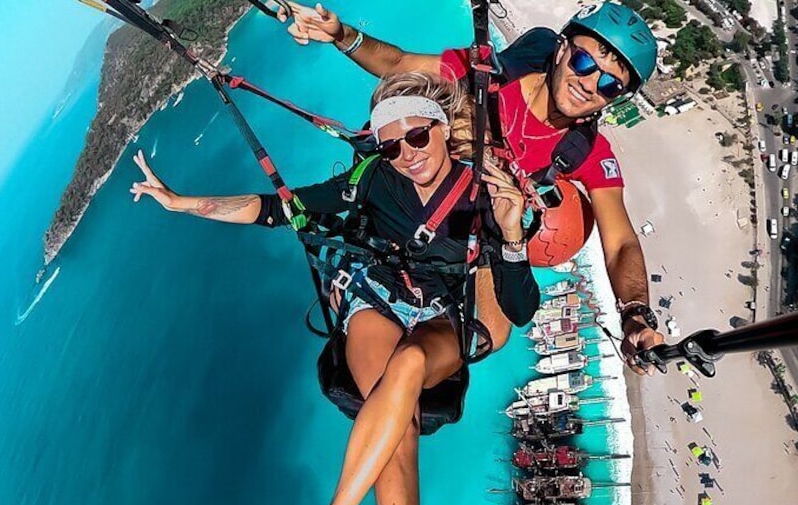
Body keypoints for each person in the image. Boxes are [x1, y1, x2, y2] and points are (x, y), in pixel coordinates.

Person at [130, 72, 539, 505]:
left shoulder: (486, 194)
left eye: (417, 136)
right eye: (392, 147)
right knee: (398, 427)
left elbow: (519, 308)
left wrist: (512, 234)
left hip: (445, 315)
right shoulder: (371, 180)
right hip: (377, 298)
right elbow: (280, 210)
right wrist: (184, 203)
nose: (408, 154)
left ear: (442, 128)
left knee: (409, 366)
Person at [277, 1, 666, 373]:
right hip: (423, 182)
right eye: (585, 62)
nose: (589, 83)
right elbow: (399, 63)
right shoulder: (492, 76)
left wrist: (634, 312)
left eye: (610, 85)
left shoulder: (589, 152)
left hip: (475, 226)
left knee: (492, 335)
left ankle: (411, 356)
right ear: (562, 48)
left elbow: (620, 242)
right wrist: (341, 34)